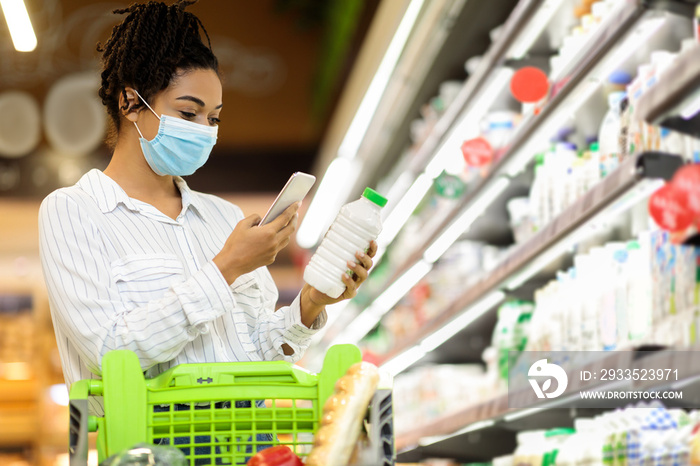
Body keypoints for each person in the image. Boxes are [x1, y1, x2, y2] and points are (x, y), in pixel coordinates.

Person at [38, 0, 376, 420]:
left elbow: (257, 355)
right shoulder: (74, 212)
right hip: (149, 447)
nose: (204, 132)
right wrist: (225, 268)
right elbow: (110, 353)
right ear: (129, 102)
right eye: (188, 113)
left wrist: (309, 303)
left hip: (250, 441)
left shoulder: (224, 217)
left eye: (213, 119)